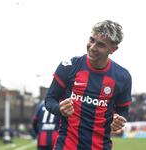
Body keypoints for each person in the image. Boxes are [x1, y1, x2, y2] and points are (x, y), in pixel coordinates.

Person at [45, 20, 132, 150]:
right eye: (92, 39)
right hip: (66, 146)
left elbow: (122, 109)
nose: (92, 47)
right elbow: (50, 99)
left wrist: (119, 119)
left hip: (101, 146)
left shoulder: (123, 77)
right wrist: (59, 109)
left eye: (101, 44)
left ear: (113, 49)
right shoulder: (68, 67)